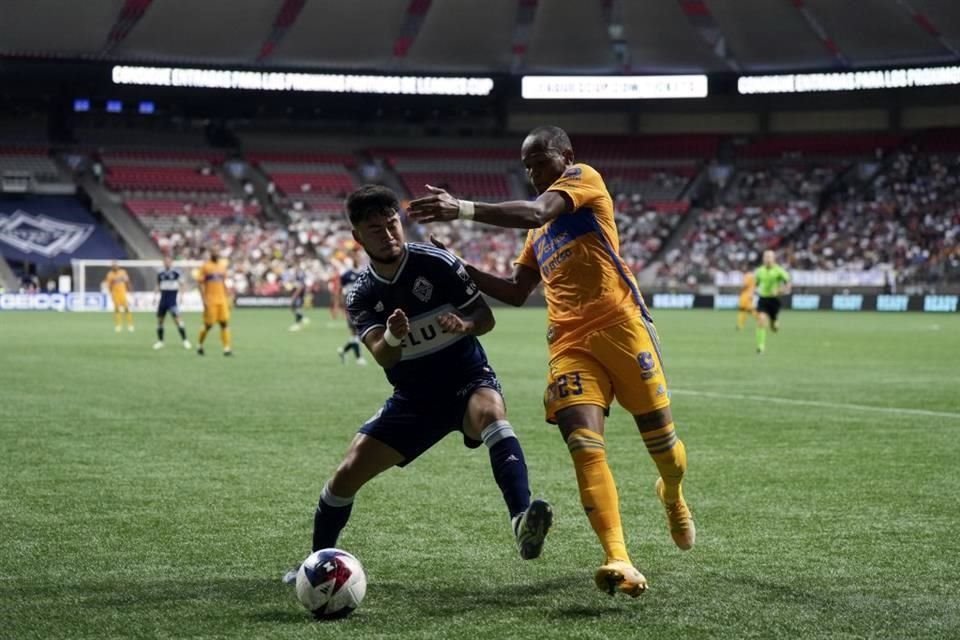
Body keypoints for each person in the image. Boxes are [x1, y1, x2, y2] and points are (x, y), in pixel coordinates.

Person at [409, 125, 694, 598]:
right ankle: (618, 557)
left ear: (566, 157)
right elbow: (517, 292)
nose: (533, 173)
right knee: (584, 446)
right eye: (527, 167)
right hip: (569, 344)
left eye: (540, 161)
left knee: (663, 446)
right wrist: (458, 267)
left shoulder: (584, 181)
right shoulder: (538, 237)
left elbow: (538, 210)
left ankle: (672, 492)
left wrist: (461, 208)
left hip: (622, 328)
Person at [283, 185, 552, 583]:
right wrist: (393, 335)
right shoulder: (362, 293)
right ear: (358, 237)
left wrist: (465, 324)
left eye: (392, 223)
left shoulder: (438, 263)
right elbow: (382, 354)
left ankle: (520, 521)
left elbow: (485, 317)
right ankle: (315, 563)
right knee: (347, 474)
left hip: (467, 379)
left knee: (492, 414)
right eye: (375, 228)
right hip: (414, 399)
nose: (388, 233)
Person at [196, 248, 232, 356]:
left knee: (224, 323)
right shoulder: (205, 267)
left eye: (217, 252)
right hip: (210, 300)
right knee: (209, 325)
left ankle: (227, 349)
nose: (216, 254)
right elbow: (200, 284)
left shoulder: (222, 267)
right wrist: (203, 299)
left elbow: (224, 283)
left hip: (222, 300)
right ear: (210, 254)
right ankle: (200, 345)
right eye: (214, 252)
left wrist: (228, 297)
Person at [754, 249, 791, 354]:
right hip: (763, 299)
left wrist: (781, 290)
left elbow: (788, 285)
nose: (768, 259)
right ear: (763, 259)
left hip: (774, 300)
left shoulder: (779, 271)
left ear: (774, 258)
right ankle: (760, 346)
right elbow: (756, 284)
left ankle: (774, 322)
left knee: (774, 327)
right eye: (766, 257)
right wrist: (754, 291)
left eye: (770, 257)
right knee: (761, 320)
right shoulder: (759, 271)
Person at [153, 256, 191, 350]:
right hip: (163, 299)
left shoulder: (176, 272)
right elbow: (158, 284)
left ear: (171, 262)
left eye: (168, 261)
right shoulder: (160, 273)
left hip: (172, 299)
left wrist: (182, 296)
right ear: (163, 263)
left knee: (178, 320)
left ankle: (185, 340)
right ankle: (160, 341)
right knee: (160, 321)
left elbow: (182, 284)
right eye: (165, 261)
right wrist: (155, 296)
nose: (167, 263)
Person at [336, 260, 366, 365]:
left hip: (361, 307)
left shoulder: (363, 273)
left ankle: (343, 351)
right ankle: (359, 358)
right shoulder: (346, 275)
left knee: (357, 335)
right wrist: (343, 306)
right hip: (351, 307)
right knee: (356, 334)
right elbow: (342, 291)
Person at [103, 261, 134, 333]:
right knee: (117, 309)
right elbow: (109, 285)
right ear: (112, 267)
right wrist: (111, 293)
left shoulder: (123, 272)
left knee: (126, 308)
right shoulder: (109, 275)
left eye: (115, 265)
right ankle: (118, 325)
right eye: (113, 266)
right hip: (115, 294)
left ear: (118, 266)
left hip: (123, 293)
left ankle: (130, 325)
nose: (115, 267)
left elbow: (127, 281)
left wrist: (130, 290)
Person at [288, 266, 311, 332]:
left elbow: (300, 288)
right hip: (298, 295)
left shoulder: (300, 278)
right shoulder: (296, 278)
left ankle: (298, 324)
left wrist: (294, 296)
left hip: (299, 296)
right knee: (293, 308)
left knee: (297, 308)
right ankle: (303, 318)